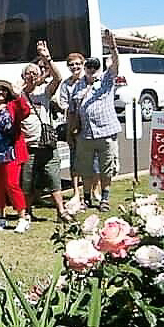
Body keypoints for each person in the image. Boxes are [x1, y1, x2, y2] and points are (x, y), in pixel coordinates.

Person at [69, 30, 123, 212]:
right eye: (89, 66)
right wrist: (71, 133)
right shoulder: (78, 85)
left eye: (95, 66)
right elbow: (72, 110)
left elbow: (115, 65)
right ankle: (86, 199)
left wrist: (112, 47)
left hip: (106, 133)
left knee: (107, 168)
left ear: (99, 68)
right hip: (85, 134)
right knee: (86, 169)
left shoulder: (106, 80)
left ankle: (104, 199)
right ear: (84, 68)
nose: (91, 69)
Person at [23, 43, 73, 223]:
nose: (32, 75)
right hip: (28, 147)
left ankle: (61, 211)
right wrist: (26, 84)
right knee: (27, 181)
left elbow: (58, 78)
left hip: (47, 144)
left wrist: (47, 58)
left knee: (53, 178)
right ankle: (27, 212)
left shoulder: (44, 92)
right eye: (28, 73)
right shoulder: (19, 94)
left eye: (35, 73)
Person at [0, 78, 31, 233]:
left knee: (12, 184)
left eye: (3, 90)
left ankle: (22, 218)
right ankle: (0, 217)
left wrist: (18, 96)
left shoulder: (13, 105)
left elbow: (25, 111)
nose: (0, 92)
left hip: (11, 152)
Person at [57, 51, 87, 203]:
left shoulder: (90, 80)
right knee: (74, 159)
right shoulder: (66, 84)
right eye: (71, 64)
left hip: (89, 126)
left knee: (91, 160)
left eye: (77, 64)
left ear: (83, 64)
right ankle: (76, 191)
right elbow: (64, 105)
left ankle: (91, 190)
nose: (75, 67)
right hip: (73, 125)